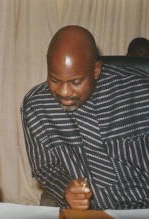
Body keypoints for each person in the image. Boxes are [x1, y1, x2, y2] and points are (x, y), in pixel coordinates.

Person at [21, 25, 149, 210]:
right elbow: (46, 168)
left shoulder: (141, 92)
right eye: (55, 80)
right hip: (90, 213)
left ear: (96, 70)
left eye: (76, 82)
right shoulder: (36, 106)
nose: (64, 93)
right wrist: (66, 189)